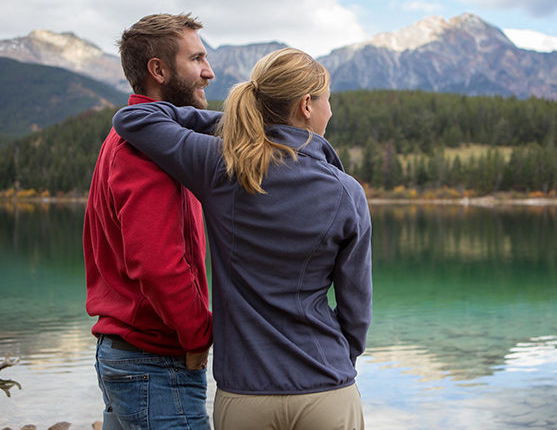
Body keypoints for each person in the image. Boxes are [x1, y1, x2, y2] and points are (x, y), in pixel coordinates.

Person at [112, 47, 372, 430]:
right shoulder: (347, 192)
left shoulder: (221, 165)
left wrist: (249, 128)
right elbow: (356, 307)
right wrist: (338, 360)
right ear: (305, 105)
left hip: (244, 395)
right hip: (324, 388)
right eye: (327, 101)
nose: (329, 112)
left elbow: (133, 117)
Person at [83, 13, 215, 429]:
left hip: (134, 357)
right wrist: (198, 335)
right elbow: (157, 263)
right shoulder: (144, 150)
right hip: (153, 361)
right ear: (158, 70)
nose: (208, 72)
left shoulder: (148, 138)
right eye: (196, 59)